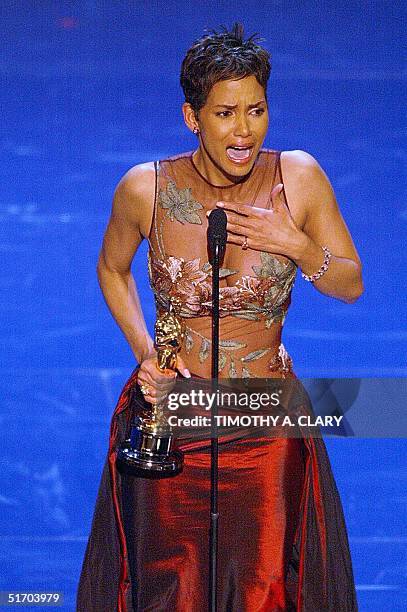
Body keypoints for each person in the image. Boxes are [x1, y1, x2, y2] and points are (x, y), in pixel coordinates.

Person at [77, 23, 363, 612]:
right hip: (171, 419)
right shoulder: (144, 189)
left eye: (256, 111)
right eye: (226, 113)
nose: (244, 131)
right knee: (168, 586)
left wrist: (299, 246)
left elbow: (351, 284)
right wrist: (145, 351)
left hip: (264, 423)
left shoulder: (298, 179)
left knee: (263, 586)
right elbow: (112, 269)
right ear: (192, 117)